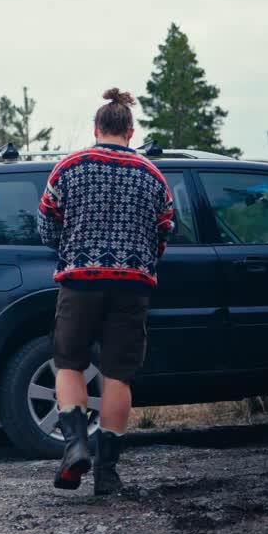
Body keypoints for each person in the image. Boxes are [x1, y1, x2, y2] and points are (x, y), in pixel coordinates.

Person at [36, 88, 174, 495]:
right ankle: (108, 474)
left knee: (69, 364)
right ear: (130, 133)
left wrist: (74, 247)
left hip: (80, 282)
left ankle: (76, 445)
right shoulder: (152, 175)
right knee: (118, 376)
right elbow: (165, 231)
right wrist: (140, 259)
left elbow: (47, 227)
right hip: (132, 287)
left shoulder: (69, 168)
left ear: (97, 129)